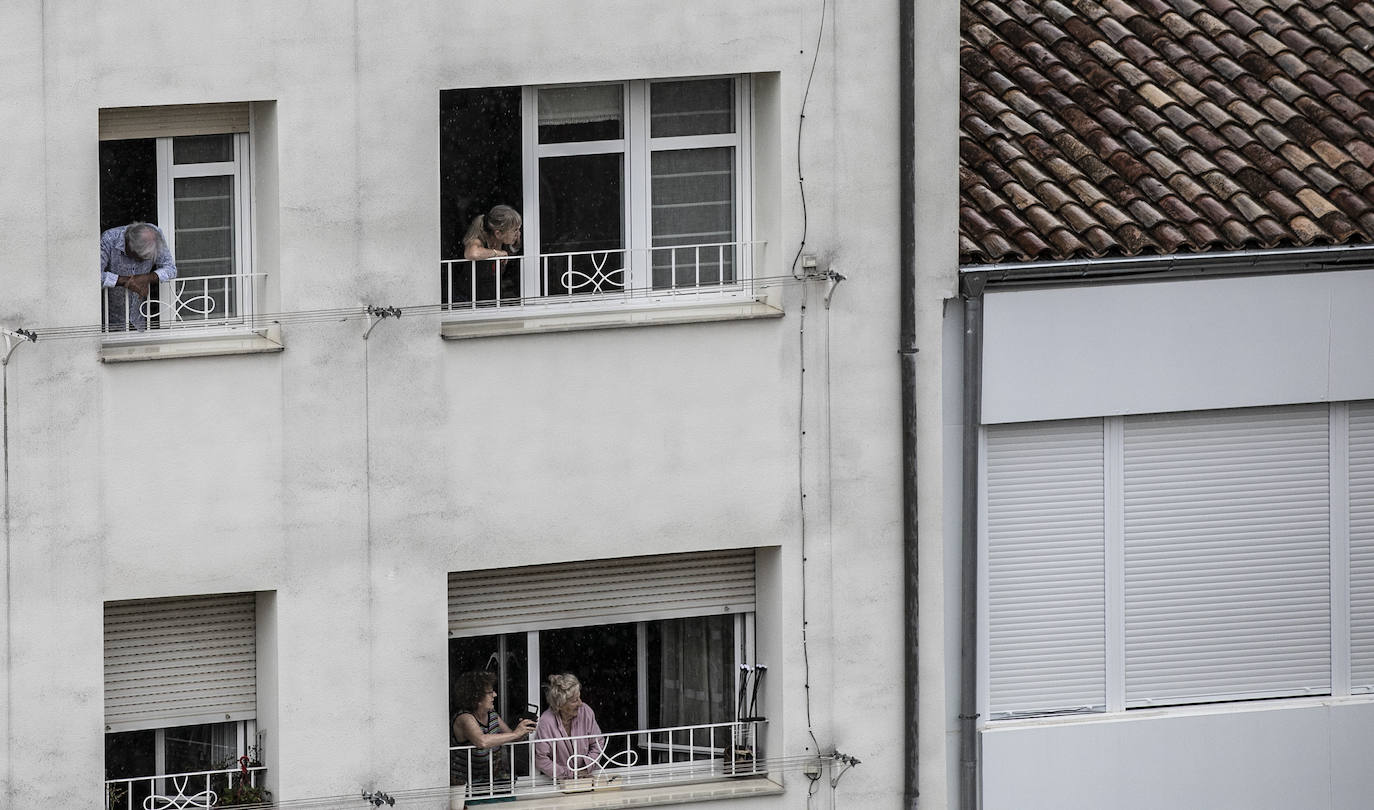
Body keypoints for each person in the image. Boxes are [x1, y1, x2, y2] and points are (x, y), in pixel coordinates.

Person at [450, 671, 535, 789]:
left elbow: (511, 737)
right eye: (490, 692)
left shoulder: (491, 714)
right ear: (476, 697)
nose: (495, 695)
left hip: (493, 782)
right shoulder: (465, 718)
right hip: (468, 787)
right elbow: (482, 741)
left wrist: (523, 728)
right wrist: (516, 733)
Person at [100, 222, 177, 331]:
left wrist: (147, 278)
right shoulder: (109, 239)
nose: (142, 261)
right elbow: (93, 277)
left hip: (139, 319)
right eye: (140, 257)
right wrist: (125, 281)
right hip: (111, 320)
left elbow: (171, 269)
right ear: (129, 246)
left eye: (147, 258)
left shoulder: (155, 236)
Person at [534, 673, 605, 780]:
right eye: (575, 700)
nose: (580, 703)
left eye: (579, 698)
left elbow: (598, 743)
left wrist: (586, 768)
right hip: (559, 783)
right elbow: (541, 759)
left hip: (587, 779)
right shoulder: (546, 722)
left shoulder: (586, 712)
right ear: (560, 704)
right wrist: (568, 774)